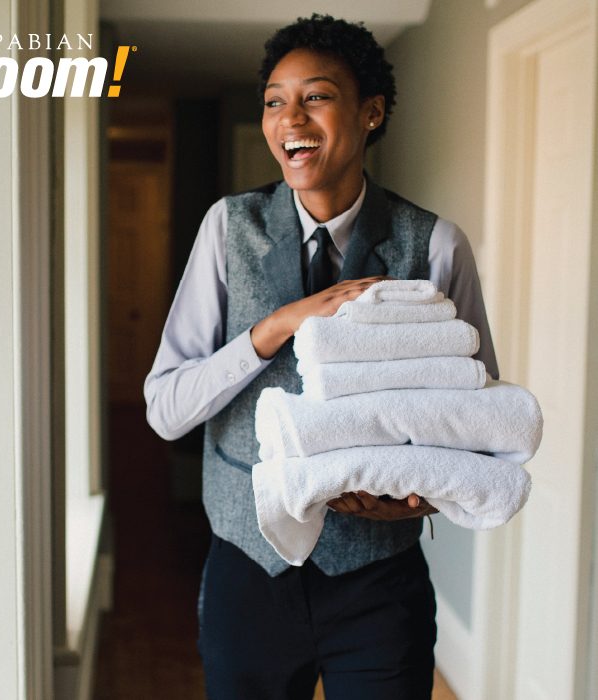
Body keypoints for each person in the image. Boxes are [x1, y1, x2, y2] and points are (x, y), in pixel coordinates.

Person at [144, 13, 498, 700]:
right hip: (249, 578)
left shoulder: (436, 246)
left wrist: (419, 495)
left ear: (372, 111)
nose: (289, 118)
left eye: (316, 96)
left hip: (378, 587)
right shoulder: (227, 229)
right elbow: (164, 409)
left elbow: (474, 422)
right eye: (275, 100)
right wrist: (273, 328)